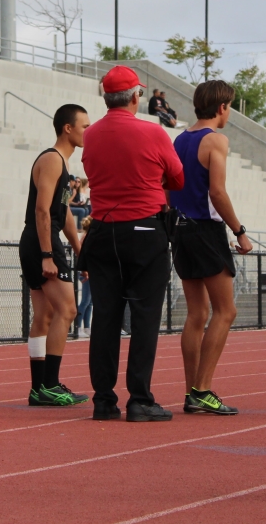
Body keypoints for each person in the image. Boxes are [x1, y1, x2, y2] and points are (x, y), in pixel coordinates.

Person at [81, 65, 184, 422]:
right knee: (144, 317)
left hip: (103, 230)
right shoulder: (152, 132)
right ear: (136, 97)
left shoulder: (91, 134)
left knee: (105, 317)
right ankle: (139, 398)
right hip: (144, 230)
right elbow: (178, 177)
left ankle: (103, 400)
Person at [171, 80, 253, 415]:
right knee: (225, 310)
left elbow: (168, 187)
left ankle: (193, 391)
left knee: (196, 313)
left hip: (179, 229)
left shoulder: (180, 140)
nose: (229, 112)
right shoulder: (216, 140)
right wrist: (240, 231)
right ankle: (202, 389)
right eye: (229, 106)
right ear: (221, 107)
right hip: (206, 229)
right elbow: (217, 192)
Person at [21, 104, 91, 407]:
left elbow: (64, 216)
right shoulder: (51, 160)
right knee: (68, 311)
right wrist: (48, 254)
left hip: (41, 239)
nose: (88, 131)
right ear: (68, 128)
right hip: (41, 241)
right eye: (84, 126)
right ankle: (49, 384)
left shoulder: (64, 165)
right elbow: (42, 210)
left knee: (46, 314)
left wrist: (80, 254)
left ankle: (39, 388)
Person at [76, 216, 94, 338]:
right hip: (85, 271)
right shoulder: (86, 238)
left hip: (90, 270)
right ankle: (78, 327)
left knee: (90, 302)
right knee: (85, 300)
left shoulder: (88, 237)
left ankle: (87, 327)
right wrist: (85, 270)